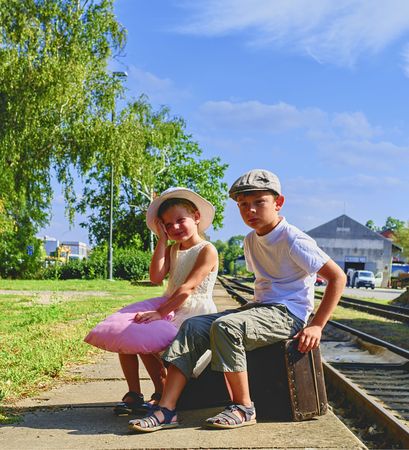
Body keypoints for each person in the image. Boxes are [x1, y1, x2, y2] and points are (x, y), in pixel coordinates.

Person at [128, 169, 346, 432]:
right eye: (243, 205)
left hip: (288, 313)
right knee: (194, 326)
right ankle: (168, 408)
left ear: (278, 203)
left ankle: (243, 407)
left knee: (227, 327)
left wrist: (316, 325)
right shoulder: (251, 239)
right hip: (261, 309)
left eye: (259, 203)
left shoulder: (293, 238)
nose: (250, 210)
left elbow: (337, 278)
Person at [84, 187, 218, 416]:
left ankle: (161, 390)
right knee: (129, 332)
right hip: (169, 307)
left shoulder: (207, 250)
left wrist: (159, 313)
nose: (174, 227)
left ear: (196, 217)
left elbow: (188, 288)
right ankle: (135, 393)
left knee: (144, 334)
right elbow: (156, 278)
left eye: (180, 220)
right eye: (167, 224)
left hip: (193, 313)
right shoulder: (174, 248)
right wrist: (162, 241)